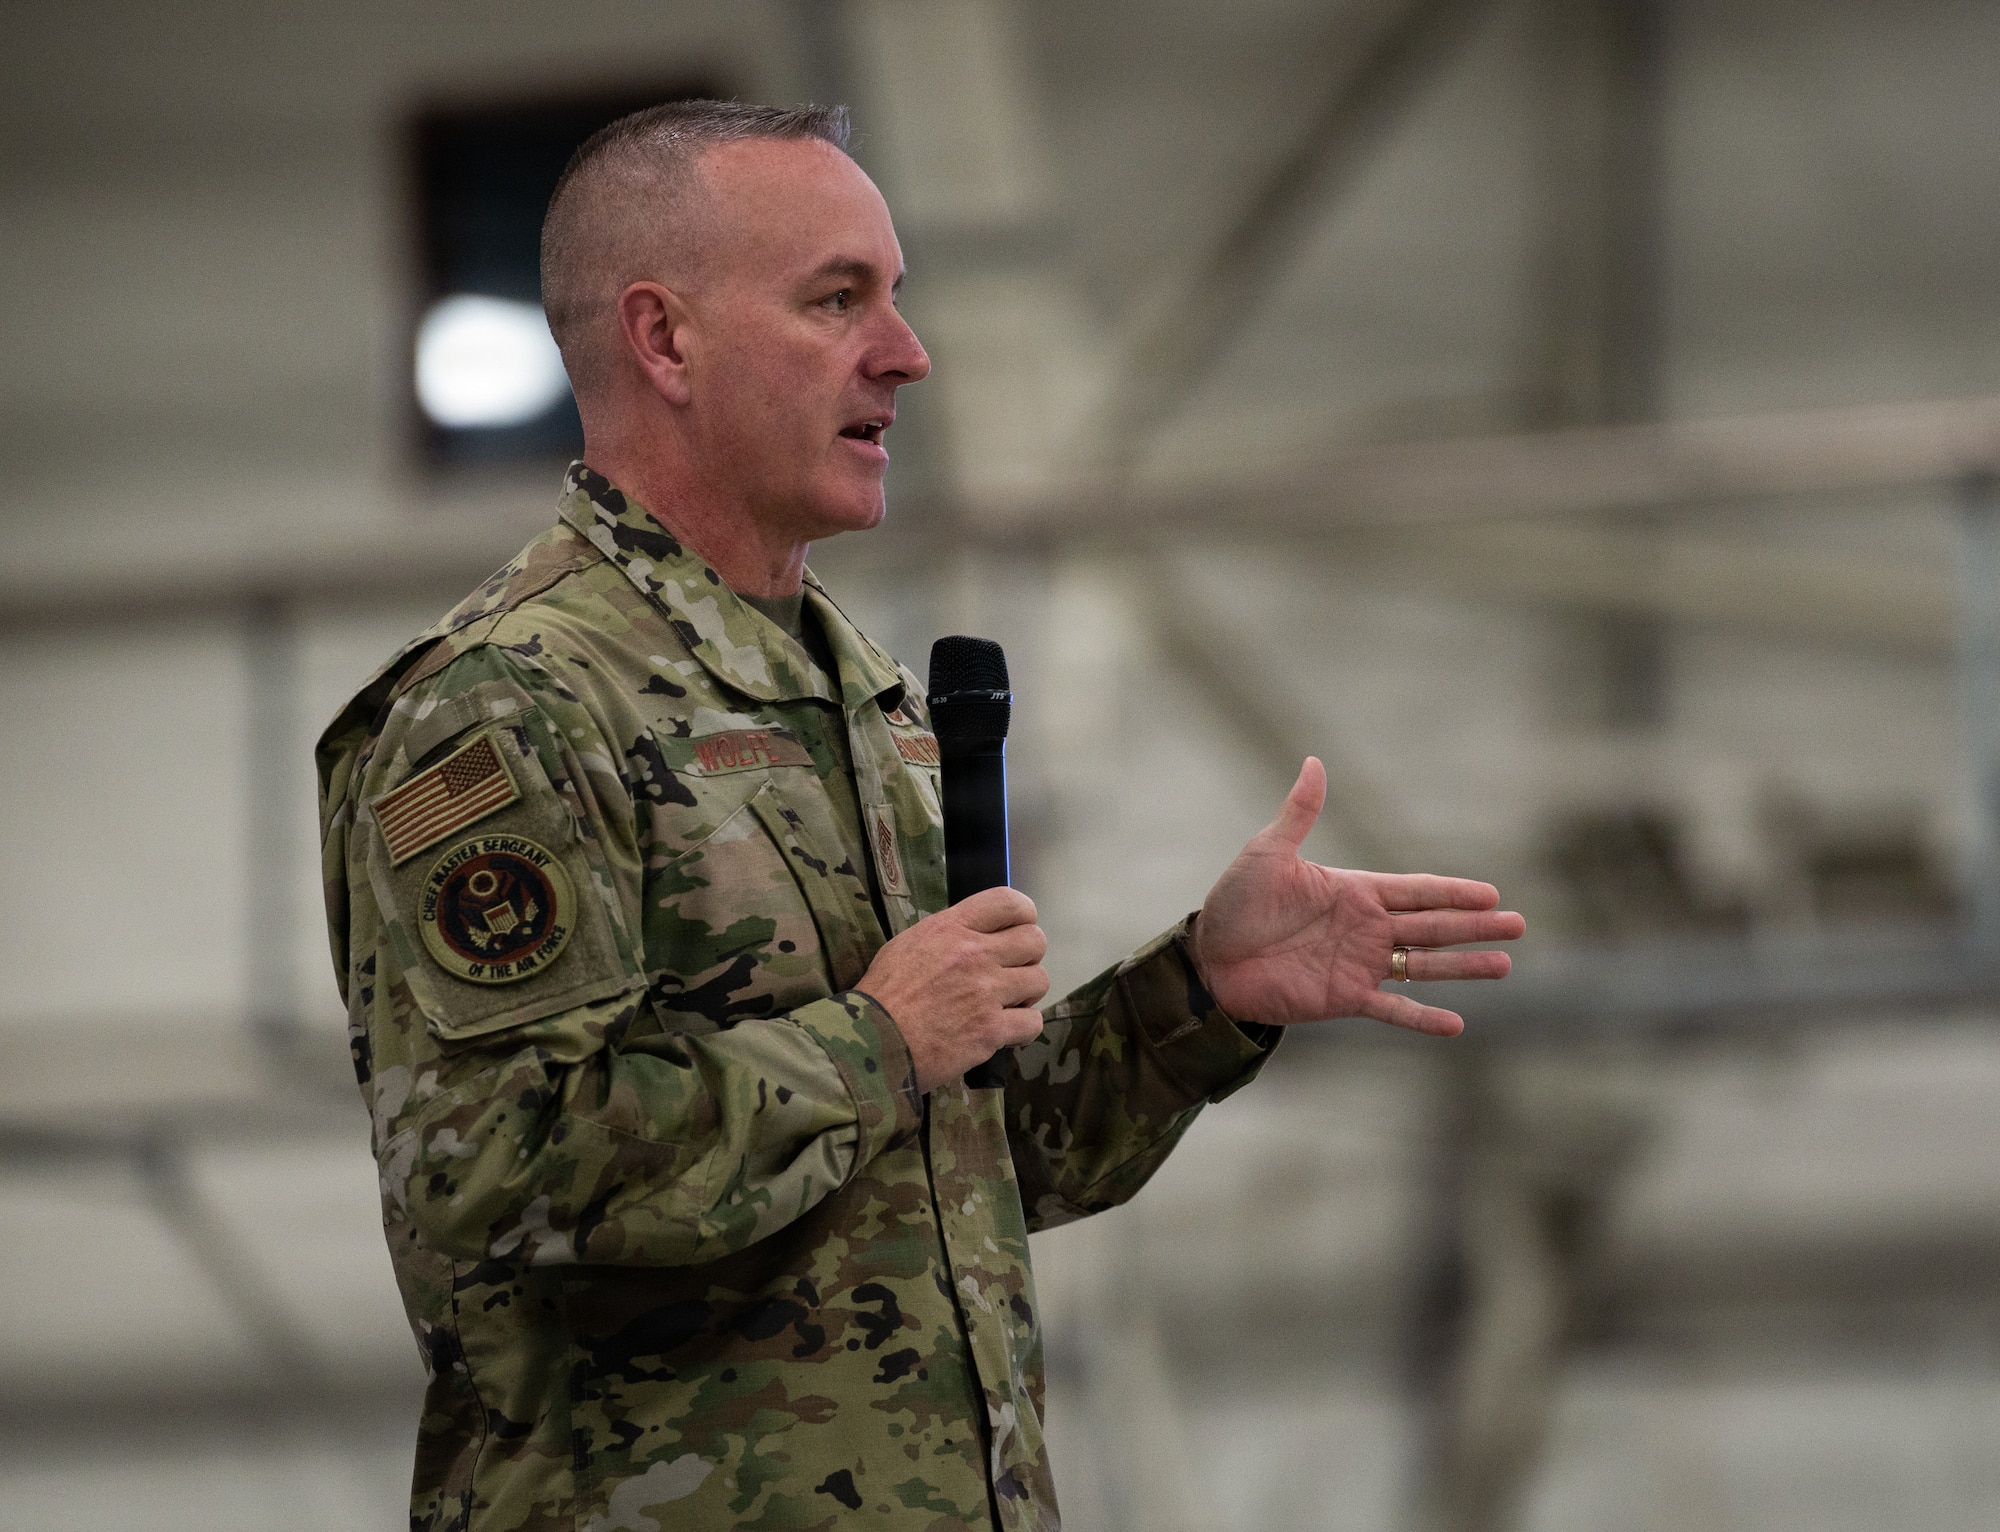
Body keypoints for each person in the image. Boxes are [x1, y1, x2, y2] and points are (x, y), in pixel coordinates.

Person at [317, 100, 1524, 1532]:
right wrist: (877, 1042)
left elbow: (960, 1161)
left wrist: (1197, 994)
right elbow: (499, 1172)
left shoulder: (861, 695)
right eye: (838, 299)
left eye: (894, 296)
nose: (907, 352)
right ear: (665, 340)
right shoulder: (506, 706)